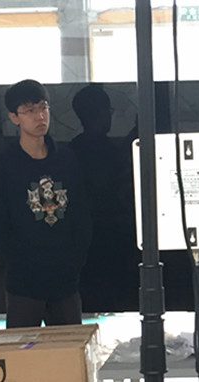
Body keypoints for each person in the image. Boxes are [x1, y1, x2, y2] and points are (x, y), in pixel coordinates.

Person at [0, 79, 92, 328]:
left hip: (65, 280)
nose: (39, 116)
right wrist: (21, 261)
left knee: (69, 348)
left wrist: (75, 259)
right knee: (21, 348)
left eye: (43, 107)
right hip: (24, 282)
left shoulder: (67, 160)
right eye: (30, 110)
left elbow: (82, 214)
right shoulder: (3, 167)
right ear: (14, 117)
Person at [70, 84, 139, 312]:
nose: (109, 116)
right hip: (108, 233)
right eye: (107, 111)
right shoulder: (105, 151)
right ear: (98, 114)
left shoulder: (72, 150)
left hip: (84, 236)